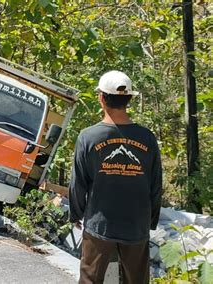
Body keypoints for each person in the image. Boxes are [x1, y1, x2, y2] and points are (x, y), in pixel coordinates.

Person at [68, 70, 162, 284]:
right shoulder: (147, 138)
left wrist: (75, 214)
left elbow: (78, 183)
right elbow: (156, 184)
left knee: (90, 279)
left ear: (101, 98)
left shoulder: (88, 137)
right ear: (129, 99)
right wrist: (150, 220)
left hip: (99, 225)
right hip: (136, 225)